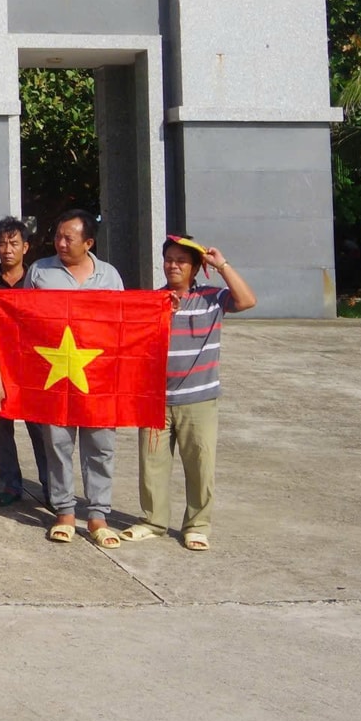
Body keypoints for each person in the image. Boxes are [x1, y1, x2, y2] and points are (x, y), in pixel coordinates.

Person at [123, 235, 256, 550]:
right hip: (155, 400)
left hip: (198, 399)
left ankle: (197, 525)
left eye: (181, 261)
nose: (173, 265)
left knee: (200, 465)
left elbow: (248, 300)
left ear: (196, 267)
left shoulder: (211, 298)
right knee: (152, 465)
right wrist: (160, 314)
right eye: (169, 259)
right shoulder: (153, 301)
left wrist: (221, 265)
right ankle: (153, 521)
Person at [27, 208, 125, 547]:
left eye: (69, 238)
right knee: (57, 444)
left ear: (89, 242)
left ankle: (97, 515)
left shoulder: (110, 276)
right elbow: (22, 320)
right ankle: (64, 511)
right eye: (58, 236)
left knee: (100, 446)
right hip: (55, 375)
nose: (61, 243)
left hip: (97, 377)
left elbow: (123, 327)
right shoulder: (40, 271)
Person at [0, 216, 50, 508]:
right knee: (1, 429)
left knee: (42, 432)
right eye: (1, 243)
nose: (7, 249)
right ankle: (10, 485)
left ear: (26, 247)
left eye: (13, 243)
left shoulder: (39, 283)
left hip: (36, 368)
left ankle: (52, 489)